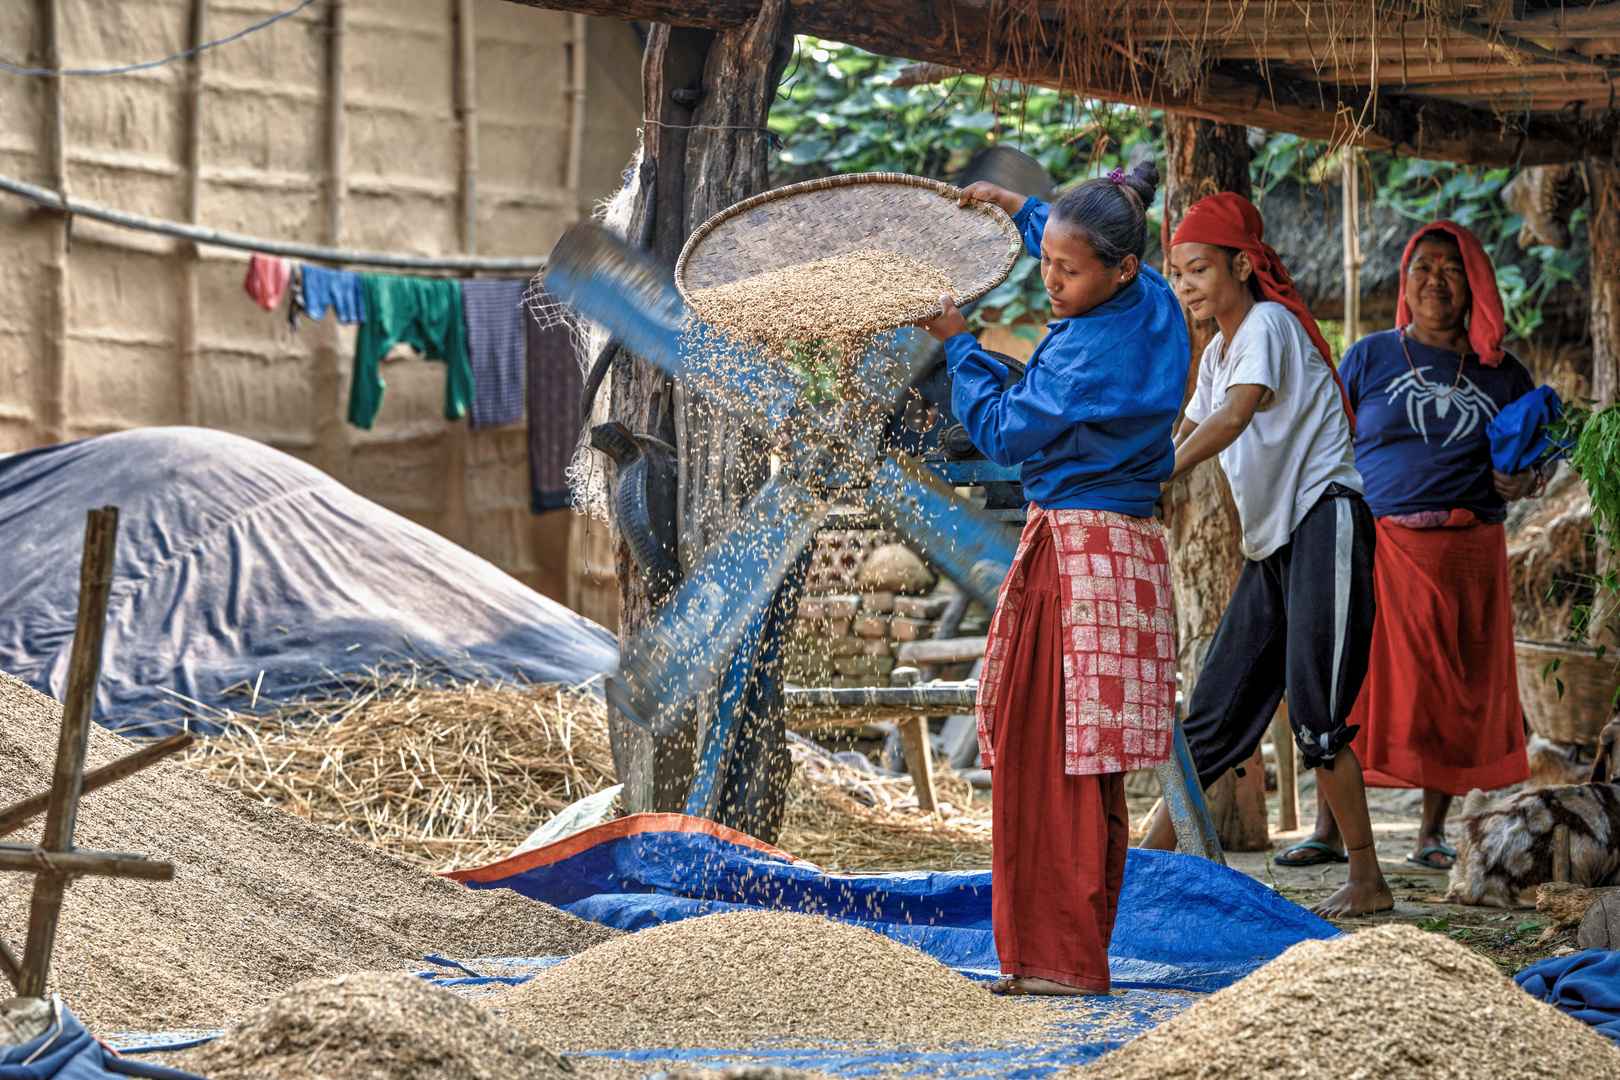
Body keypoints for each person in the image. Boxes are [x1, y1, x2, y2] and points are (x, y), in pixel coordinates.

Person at [917, 162, 1190, 995]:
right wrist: (1024, 212)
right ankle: (1074, 949)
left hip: (1070, 560)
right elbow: (1073, 239)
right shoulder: (1154, 305)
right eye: (1047, 264)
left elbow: (1002, 430)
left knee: (1047, 760)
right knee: (1089, 761)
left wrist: (961, 346)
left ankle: (1056, 961)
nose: (1052, 283)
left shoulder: (1081, 357)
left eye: (1067, 273)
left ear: (1121, 269)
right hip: (1125, 555)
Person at [1143, 191, 1394, 919]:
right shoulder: (1219, 351)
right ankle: (1140, 870)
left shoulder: (1267, 325)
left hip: (1326, 521)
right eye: (1177, 272)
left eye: (1198, 269)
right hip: (1273, 545)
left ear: (1244, 266)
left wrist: (1165, 474)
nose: (1186, 284)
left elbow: (1229, 417)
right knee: (1212, 719)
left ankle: (1369, 876)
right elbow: (1185, 425)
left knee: (1318, 718)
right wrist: (1139, 476)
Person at [1275, 222, 1538, 873]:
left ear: (1474, 282)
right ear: (1404, 278)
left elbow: (1537, 465)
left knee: (1451, 690)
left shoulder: (1504, 373)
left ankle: (1431, 830)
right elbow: (1324, 435)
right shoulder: (1369, 357)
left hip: (1468, 551)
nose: (1435, 281)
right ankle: (1328, 829)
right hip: (1378, 543)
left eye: (1451, 269)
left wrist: (1524, 477)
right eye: (1423, 267)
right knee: (1350, 680)